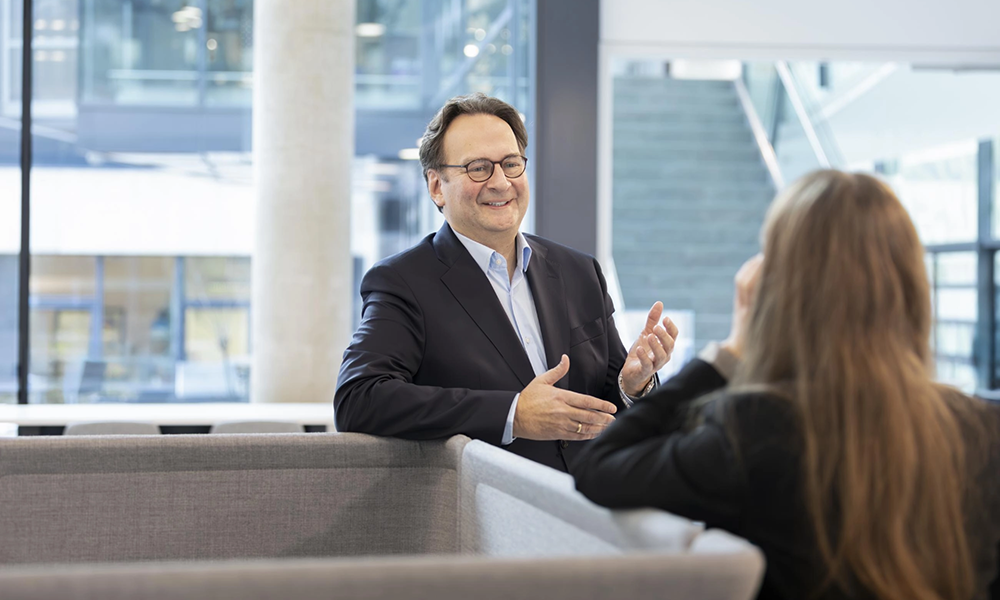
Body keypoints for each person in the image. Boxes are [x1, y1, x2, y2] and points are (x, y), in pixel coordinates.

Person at [574, 170, 1000, 600]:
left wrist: (731, 351)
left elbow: (598, 468)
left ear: (779, 294)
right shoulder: (985, 429)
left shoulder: (757, 430)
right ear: (911, 286)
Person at [334, 93, 678, 472]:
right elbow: (359, 399)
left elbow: (604, 406)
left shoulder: (579, 272)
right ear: (436, 187)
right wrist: (513, 414)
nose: (501, 182)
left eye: (511, 164)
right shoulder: (404, 282)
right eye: (478, 168)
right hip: (490, 516)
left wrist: (634, 386)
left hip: (588, 508)